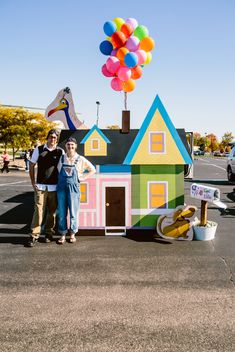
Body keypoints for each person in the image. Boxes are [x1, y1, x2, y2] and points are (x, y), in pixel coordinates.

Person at [27, 129, 63, 247]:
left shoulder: (60, 151)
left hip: (54, 186)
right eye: (51, 137)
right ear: (47, 138)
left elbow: (63, 168)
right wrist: (33, 182)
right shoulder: (39, 149)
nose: (53, 139)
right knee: (38, 210)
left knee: (52, 212)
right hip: (41, 186)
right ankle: (34, 235)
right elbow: (32, 165)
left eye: (55, 137)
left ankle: (48, 233)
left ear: (57, 139)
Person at [57, 137, 96, 244]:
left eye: (72, 145)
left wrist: (82, 178)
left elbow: (93, 169)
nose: (70, 146)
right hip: (61, 188)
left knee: (73, 213)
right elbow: (58, 170)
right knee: (62, 212)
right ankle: (63, 234)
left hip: (74, 188)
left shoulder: (80, 159)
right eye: (68, 144)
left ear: (76, 146)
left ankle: (72, 234)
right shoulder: (61, 158)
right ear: (65, 146)